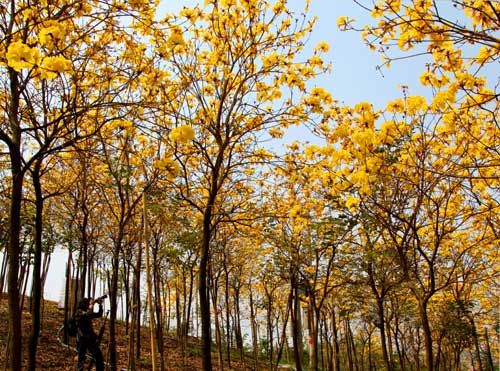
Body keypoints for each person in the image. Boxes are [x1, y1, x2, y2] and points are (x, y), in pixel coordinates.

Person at [75, 297, 105, 371]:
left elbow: (99, 314)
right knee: (81, 359)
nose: (90, 304)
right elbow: (84, 316)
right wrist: (90, 306)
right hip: (82, 339)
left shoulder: (87, 313)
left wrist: (100, 305)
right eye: (88, 303)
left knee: (98, 356)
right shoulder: (79, 312)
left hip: (90, 339)